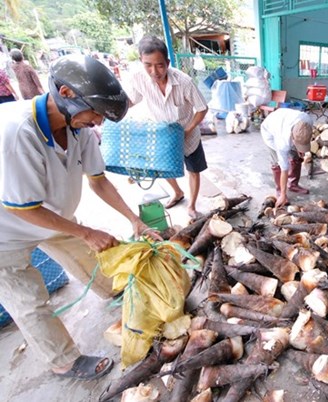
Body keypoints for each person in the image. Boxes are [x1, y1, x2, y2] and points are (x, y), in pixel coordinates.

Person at [0, 54, 158, 380]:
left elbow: (98, 179)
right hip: (8, 230)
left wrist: (134, 219)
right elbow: (23, 208)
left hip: (52, 215)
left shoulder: (79, 128)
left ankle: (110, 289)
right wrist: (85, 232)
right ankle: (64, 361)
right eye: (96, 113)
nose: (98, 122)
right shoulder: (17, 132)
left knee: (87, 254)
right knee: (29, 300)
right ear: (67, 94)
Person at [126, 35, 209, 219]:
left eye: (160, 65)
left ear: (168, 62)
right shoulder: (139, 79)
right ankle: (177, 192)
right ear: (141, 61)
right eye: (148, 65)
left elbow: (202, 109)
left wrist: (187, 131)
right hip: (163, 133)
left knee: (193, 170)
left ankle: (192, 206)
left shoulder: (184, 82)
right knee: (162, 167)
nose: (154, 71)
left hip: (188, 134)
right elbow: (131, 101)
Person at [260, 108, 312, 207]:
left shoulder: (307, 121)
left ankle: (293, 184)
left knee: (296, 157)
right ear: (292, 138)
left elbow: (303, 138)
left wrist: (300, 150)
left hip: (285, 118)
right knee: (278, 164)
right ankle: (280, 192)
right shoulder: (282, 142)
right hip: (270, 131)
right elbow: (284, 169)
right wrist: (284, 194)